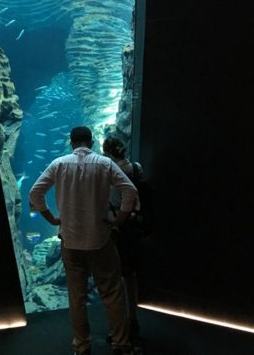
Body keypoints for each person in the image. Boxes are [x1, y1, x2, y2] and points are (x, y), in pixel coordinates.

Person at [29, 126, 139, 355]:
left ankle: (82, 345)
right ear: (91, 142)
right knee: (112, 292)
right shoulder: (105, 164)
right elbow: (129, 190)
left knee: (76, 297)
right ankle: (121, 344)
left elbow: (35, 192)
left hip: (70, 242)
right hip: (101, 240)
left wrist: (51, 219)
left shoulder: (58, 164)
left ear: (71, 142)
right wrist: (119, 219)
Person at [103, 137, 150, 352]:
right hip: (134, 229)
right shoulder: (136, 168)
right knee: (131, 277)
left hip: (116, 228)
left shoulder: (107, 172)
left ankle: (119, 329)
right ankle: (133, 321)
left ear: (107, 152)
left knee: (115, 278)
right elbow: (145, 196)